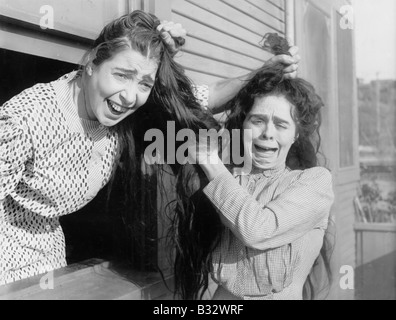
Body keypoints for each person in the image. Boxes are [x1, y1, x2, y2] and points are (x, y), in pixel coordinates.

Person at [0, 11, 299, 286]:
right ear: (92, 62)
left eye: (144, 83)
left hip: (49, 254)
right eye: (121, 75)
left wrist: (264, 72)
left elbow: (204, 99)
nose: (130, 96)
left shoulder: (123, 112)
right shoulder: (24, 120)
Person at [176, 35, 335, 300]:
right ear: (243, 127)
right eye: (258, 121)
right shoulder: (231, 177)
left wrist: (210, 162)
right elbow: (180, 106)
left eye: (281, 124)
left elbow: (258, 229)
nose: (267, 133)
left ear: (296, 135)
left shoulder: (315, 182)